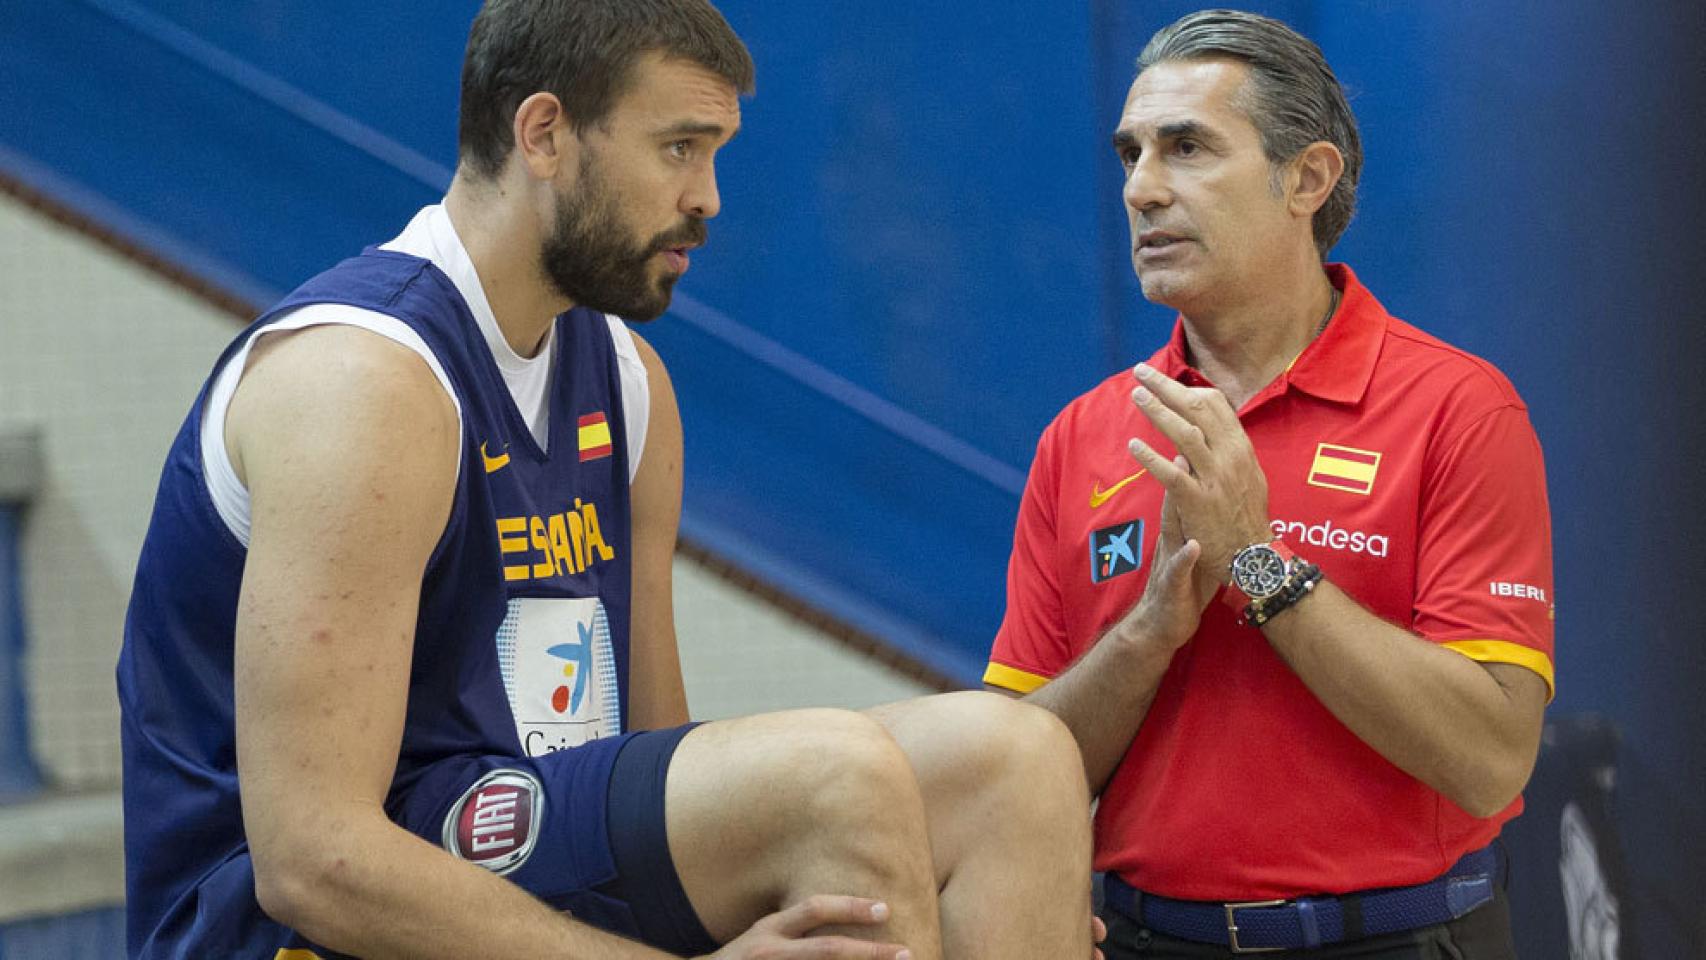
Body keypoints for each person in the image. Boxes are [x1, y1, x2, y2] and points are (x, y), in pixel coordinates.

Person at [117, 2, 1098, 958]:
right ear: (543, 134)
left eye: (714, 153)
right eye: (679, 147)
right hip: (282, 927)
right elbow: (313, 862)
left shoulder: (627, 383)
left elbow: (665, 768)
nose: (708, 196)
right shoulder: (366, 381)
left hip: (518, 845)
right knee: (836, 779)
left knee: (1012, 760)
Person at [984, 10, 1553, 958]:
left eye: (1188, 148)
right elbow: (1007, 773)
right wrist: (1149, 633)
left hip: (1395, 940)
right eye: (1130, 154)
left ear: (1308, 178)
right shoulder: (1081, 436)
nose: (1141, 189)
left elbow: (1490, 761)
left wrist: (1259, 565)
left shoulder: (1459, 409)